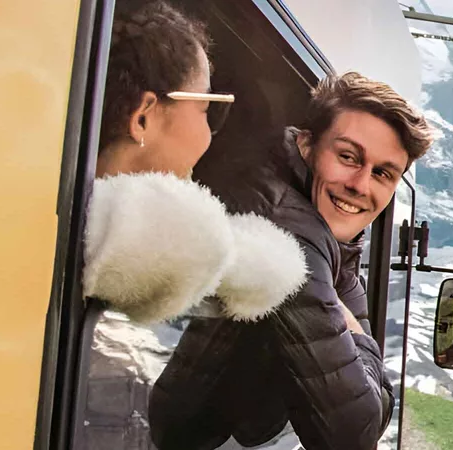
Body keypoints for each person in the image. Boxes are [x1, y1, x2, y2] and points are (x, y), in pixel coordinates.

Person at [148, 71, 436, 450]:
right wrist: (360, 341)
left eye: (382, 173)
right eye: (348, 157)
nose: (361, 185)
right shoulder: (290, 231)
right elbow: (353, 432)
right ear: (305, 145)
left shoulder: (328, 229)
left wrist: (349, 331)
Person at [78, 1, 309, 449]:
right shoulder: (134, 233)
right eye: (209, 110)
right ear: (143, 115)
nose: (209, 136)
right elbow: (268, 272)